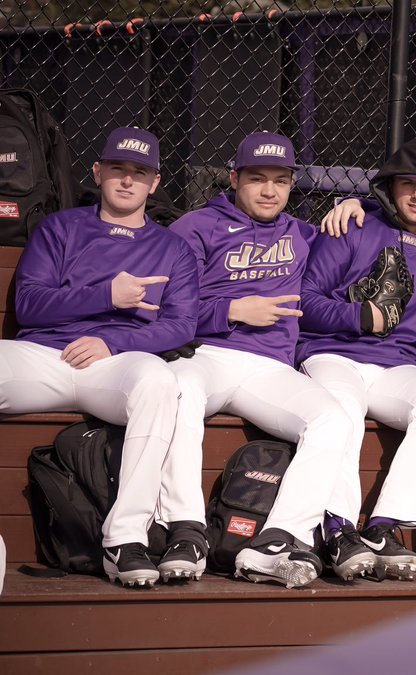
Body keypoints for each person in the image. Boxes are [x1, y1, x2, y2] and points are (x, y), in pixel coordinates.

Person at [0, 127, 198, 586]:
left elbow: (181, 324)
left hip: (114, 365)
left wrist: (115, 343)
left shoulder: (173, 248)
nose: (127, 180)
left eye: (139, 173)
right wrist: (108, 294)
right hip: (44, 355)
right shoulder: (61, 228)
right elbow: (30, 304)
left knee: (159, 381)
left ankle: (125, 538)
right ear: (98, 172)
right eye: (117, 169)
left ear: (154, 182)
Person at [161, 132, 356, 588]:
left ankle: (276, 541)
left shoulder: (302, 234)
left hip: (269, 367)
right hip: (205, 354)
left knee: (332, 419)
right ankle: (185, 530)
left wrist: (354, 204)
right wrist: (229, 310)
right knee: (177, 391)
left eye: (281, 181)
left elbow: (364, 239)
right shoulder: (195, 227)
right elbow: (164, 308)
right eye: (257, 179)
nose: (269, 190)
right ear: (234, 179)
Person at [297, 135, 416, 582]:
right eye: (408, 184)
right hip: (333, 354)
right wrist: (358, 315)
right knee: (342, 407)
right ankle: (338, 527)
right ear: (389, 188)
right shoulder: (352, 229)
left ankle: (383, 527)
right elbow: (307, 298)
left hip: (397, 367)